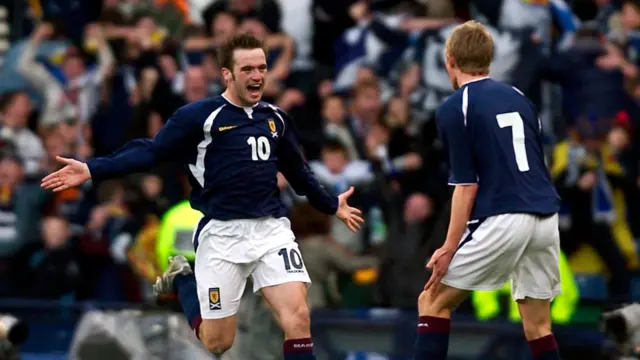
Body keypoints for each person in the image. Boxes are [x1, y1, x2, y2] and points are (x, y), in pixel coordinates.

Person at [41, 33, 364, 360]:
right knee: (218, 342)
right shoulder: (199, 117)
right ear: (227, 74)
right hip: (221, 234)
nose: (257, 76)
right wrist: (92, 168)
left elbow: (299, 173)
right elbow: (151, 152)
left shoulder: (276, 119)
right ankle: (183, 278)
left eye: (262, 67)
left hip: (270, 230)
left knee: (297, 316)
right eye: (248, 68)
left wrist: (331, 203)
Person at [414, 21, 562, 360]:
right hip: (544, 215)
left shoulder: (455, 107)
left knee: (432, 301)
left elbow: (466, 185)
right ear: (489, 59)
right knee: (538, 326)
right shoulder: (519, 97)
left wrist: (449, 247)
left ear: (449, 60)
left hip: (504, 215)